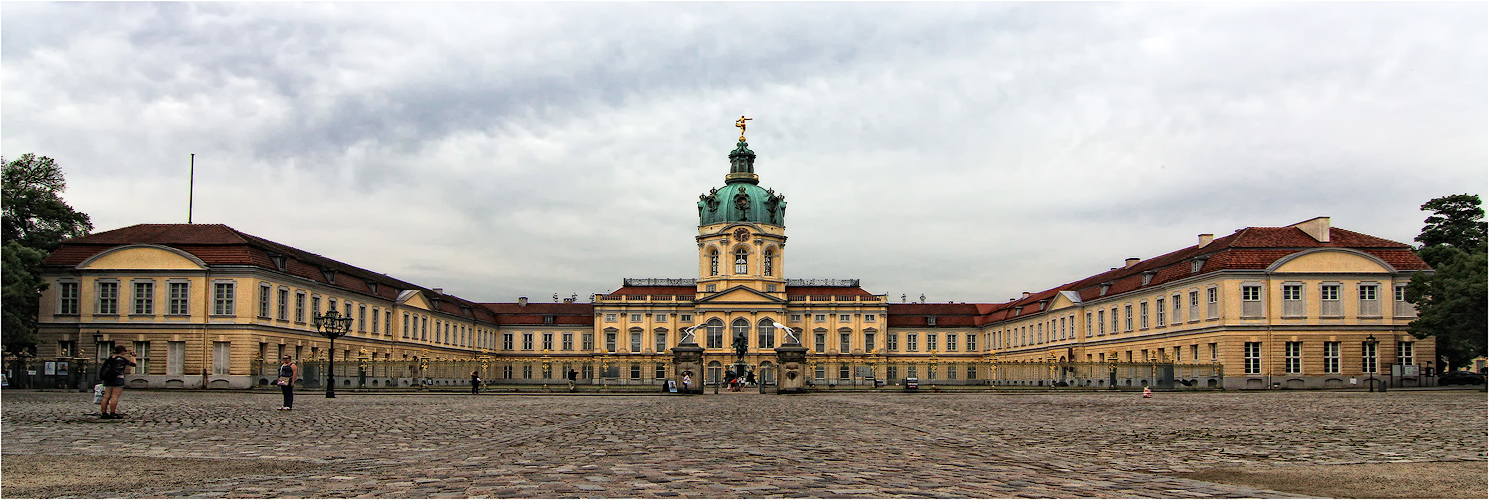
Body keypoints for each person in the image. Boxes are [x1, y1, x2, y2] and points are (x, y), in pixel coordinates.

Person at [98, 346, 136, 419]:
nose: (125, 352)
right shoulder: (122, 359)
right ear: (121, 352)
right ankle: (112, 413)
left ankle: (104, 413)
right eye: (125, 351)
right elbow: (133, 364)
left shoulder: (110, 358)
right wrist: (133, 356)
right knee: (114, 397)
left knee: (106, 396)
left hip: (108, 378)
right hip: (118, 378)